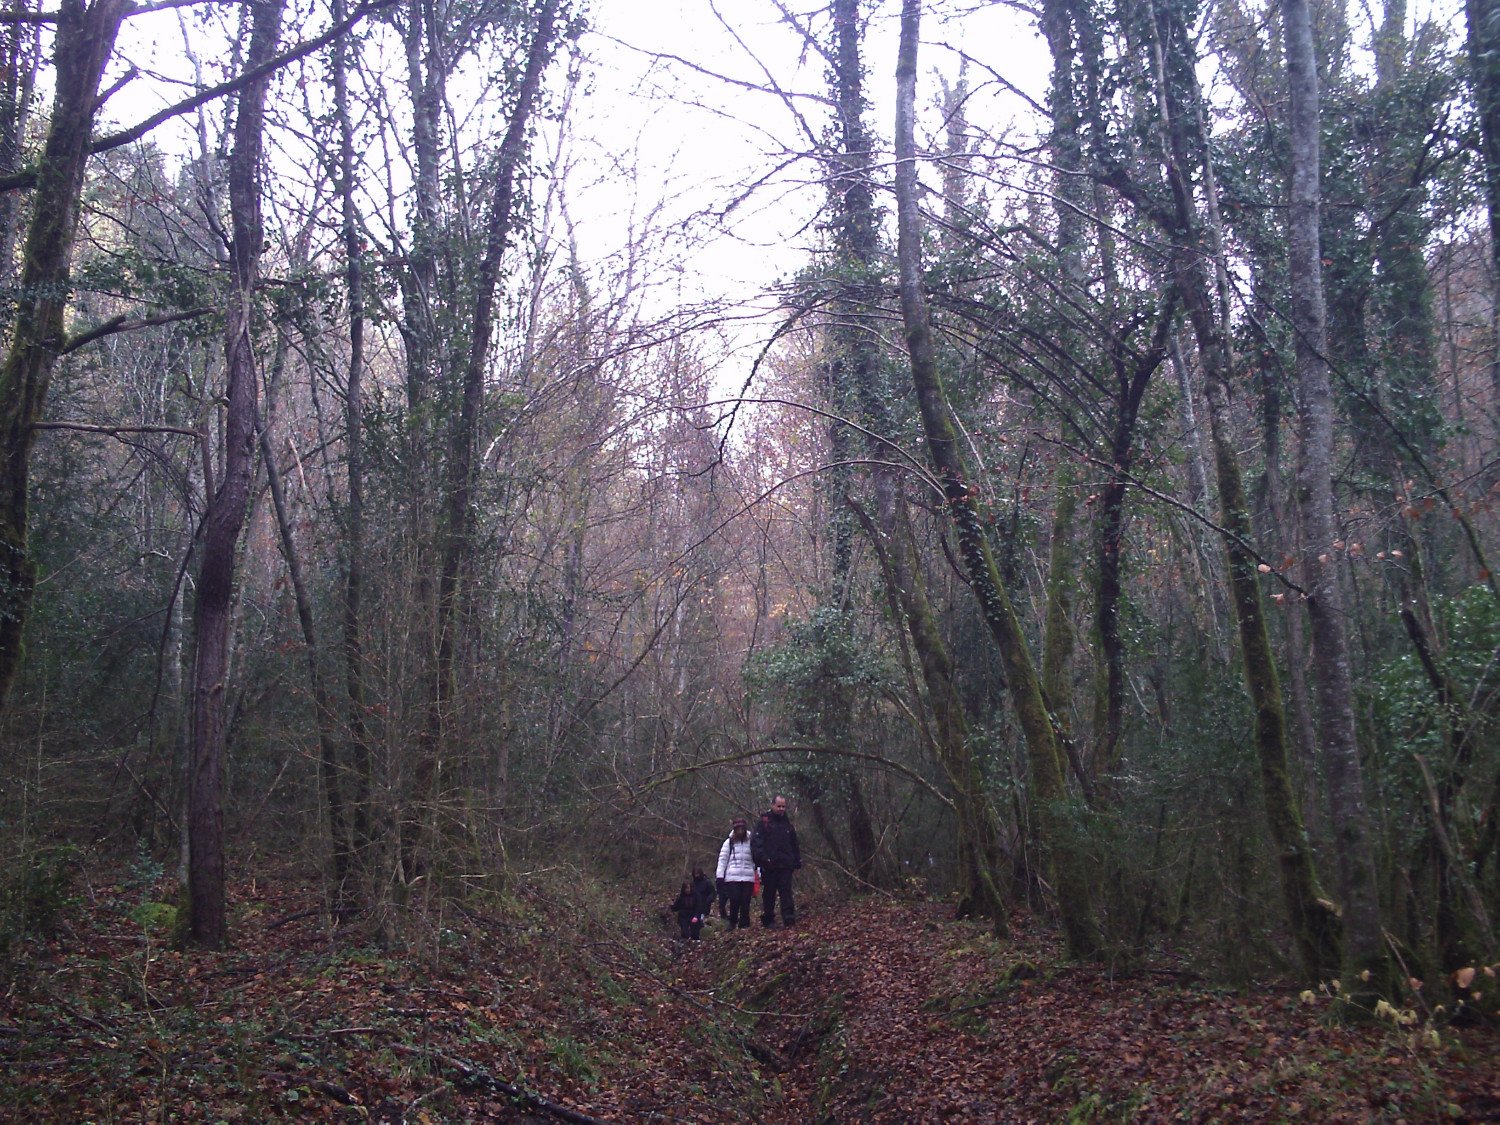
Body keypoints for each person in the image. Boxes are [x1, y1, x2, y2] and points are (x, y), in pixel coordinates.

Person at [751, 794, 801, 928]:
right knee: (769, 893)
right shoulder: (764, 822)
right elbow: (756, 843)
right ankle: (768, 919)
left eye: (783, 806)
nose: (781, 809)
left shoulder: (787, 823)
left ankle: (789, 918)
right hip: (769, 865)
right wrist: (763, 859)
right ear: (772, 805)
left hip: (785, 864)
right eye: (778, 806)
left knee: (786, 892)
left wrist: (796, 862)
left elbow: (794, 843)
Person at [715, 817, 756, 930]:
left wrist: (759, 874)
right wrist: (720, 876)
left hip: (748, 876)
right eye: (738, 829)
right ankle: (732, 922)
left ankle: (744, 923)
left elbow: (756, 859)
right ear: (734, 829)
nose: (740, 831)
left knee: (745, 901)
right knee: (735, 899)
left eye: (742, 828)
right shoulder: (729, 843)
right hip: (732, 876)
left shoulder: (752, 841)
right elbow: (723, 859)